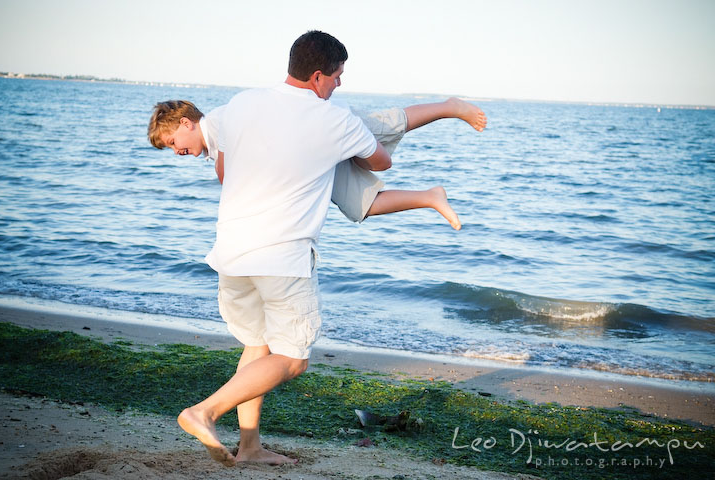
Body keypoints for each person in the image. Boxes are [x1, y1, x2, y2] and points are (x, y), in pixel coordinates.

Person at [148, 31, 486, 467]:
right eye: (338, 76)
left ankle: (249, 447)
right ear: (318, 75)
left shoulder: (242, 105)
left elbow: (222, 162)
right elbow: (382, 161)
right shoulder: (334, 119)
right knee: (292, 358)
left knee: (256, 349)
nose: (339, 85)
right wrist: (344, 149)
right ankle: (204, 412)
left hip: (231, 258)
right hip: (281, 260)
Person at [148, 99, 486, 230]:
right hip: (311, 158)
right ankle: (430, 197)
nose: (175, 151)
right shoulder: (213, 147)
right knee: (361, 207)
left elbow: (230, 180)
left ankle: (448, 107)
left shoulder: (220, 122)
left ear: (186, 123)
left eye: (172, 143)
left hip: (320, 128)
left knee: (387, 125)